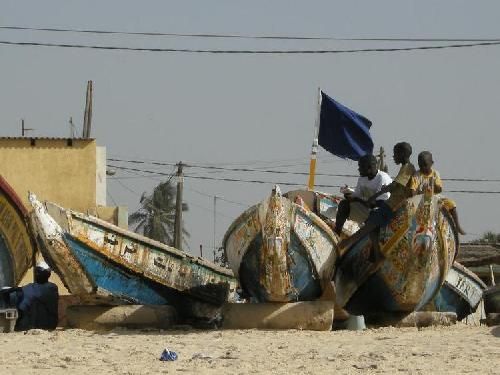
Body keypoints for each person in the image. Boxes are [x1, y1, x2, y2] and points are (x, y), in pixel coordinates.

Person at [338, 142, 416, 253]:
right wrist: (353, 197)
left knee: (371, 222)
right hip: (386, 204)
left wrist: (372, 196)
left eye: (396, 154)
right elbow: (397, 186)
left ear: (402, 154)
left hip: (391, 205)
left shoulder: (406, 168)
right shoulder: (404, 168)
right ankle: (374, 252)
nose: (394, 157)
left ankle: (349, 242)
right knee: (368, 219)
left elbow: (393, 187)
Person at [334, 154, 392, 235]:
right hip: (366, 209)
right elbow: (357, 195)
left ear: (369, 168)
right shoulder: (362, 178)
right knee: (344, 204)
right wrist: (349, 195)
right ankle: (336, 233)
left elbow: (379, 204)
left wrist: (356, 199)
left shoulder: (382, 178)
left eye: (361, 167)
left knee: (374, 214)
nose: (359, 169)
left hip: (379, 214)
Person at [410, 151, 466, 235]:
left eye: (425, 165)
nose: (423, 167)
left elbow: (439, 189)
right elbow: (413, 190)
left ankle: (457, 226)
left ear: (431, 163)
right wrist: (416, 193)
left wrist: (433, 185)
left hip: (435, 197)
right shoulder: (416, 175)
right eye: (420, 165)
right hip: (420, 199)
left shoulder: (435, 174)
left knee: (451, 204)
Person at [15, 261, 59, 331]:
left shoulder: (50, 288)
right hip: (49, 324)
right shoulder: (52, 287)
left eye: (38, 271)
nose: (37, 274)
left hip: (41, 324)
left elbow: (23, 305)